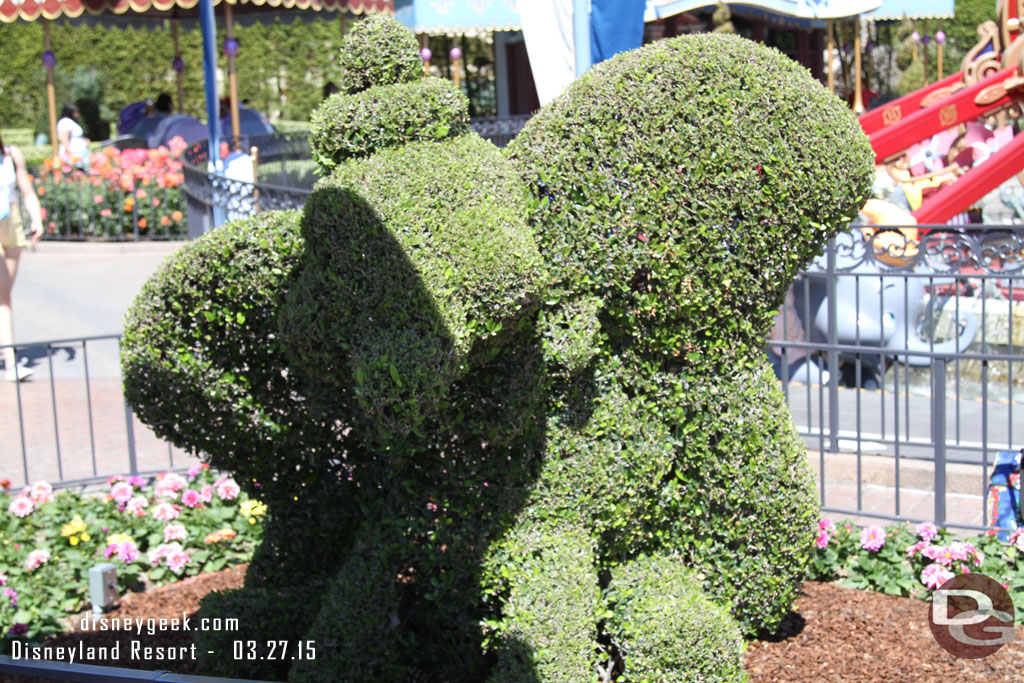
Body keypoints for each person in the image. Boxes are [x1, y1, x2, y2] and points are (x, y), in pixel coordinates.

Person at [0, 126, 44, 381]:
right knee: (3, 297)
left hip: (12, 223)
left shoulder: (12, 155)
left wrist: (36, 217)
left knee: (5, 293)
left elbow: (26, 190)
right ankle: (10, 363)